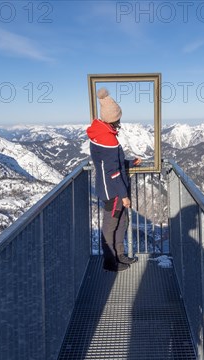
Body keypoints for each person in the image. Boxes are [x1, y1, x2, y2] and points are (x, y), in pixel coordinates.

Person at [87, 87, 141, 272]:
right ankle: (110, 262)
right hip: (113, 193)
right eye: (118, 118)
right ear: (113, 119)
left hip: (111, 189)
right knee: (110, 225)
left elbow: (114, 163)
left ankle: (120, 256)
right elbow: (113, 171)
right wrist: (124, 195)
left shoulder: (102, 134)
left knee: (121, 222)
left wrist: (130, 163)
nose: (119, 121)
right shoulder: (107, 140)